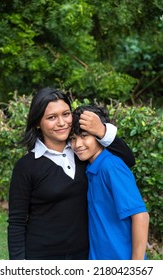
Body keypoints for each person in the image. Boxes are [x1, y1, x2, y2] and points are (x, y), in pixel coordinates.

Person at [8, 87, 135, 260]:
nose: (62, 123)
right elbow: (17, 221)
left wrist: (102, 131)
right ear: (38, 122)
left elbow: (127, 160)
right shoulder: (26, 166)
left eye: (66, 114)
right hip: (42, 258)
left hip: (85, 255)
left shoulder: (82, 154)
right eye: (52, 117)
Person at [69, 104, 149, 260]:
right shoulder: (91, 168)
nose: (77, 144)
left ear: (99, 135)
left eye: (84, 136)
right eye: (72, 139)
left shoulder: (111, 166)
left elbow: (140, 216)